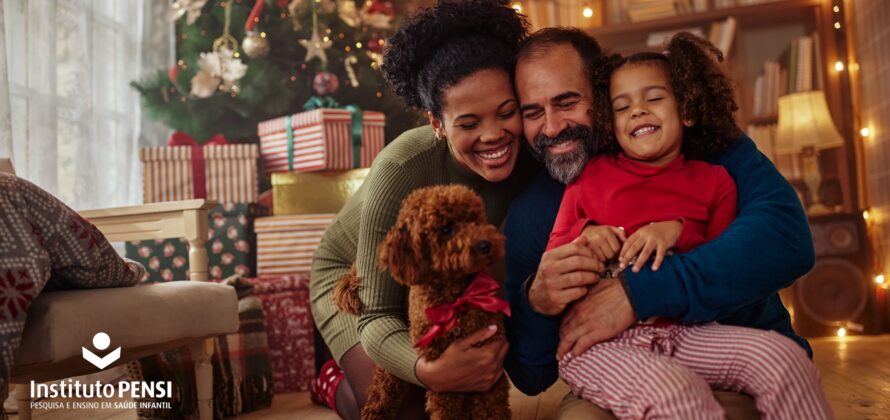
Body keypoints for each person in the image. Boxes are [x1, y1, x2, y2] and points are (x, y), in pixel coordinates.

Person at [503, 26, 817, 413]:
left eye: (567, 102)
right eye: (533, 112)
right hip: (613, 365)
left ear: (601, 94)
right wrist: (539, 302)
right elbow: (530, 376)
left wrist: (638, 292)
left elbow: (787, 239)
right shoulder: (531, 212)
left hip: (723, 345)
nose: (551, 127)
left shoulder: (704, 148)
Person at [307, 2, 537, 419]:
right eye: (468, 124)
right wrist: (427, 371)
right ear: (436, 122)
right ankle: (333, 382)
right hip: (356, 280)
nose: (494, 135)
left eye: (506, 112)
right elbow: (377, 313)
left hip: (444, 281)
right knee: (399, 408)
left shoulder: (534, 155)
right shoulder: (402, 166)